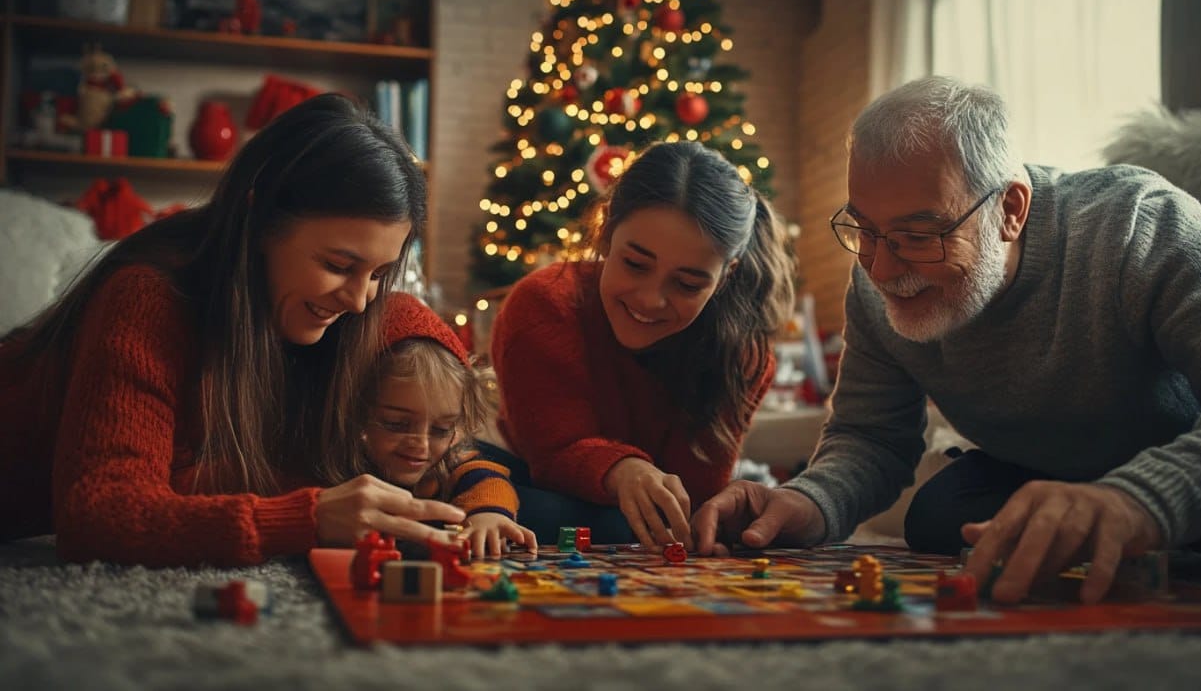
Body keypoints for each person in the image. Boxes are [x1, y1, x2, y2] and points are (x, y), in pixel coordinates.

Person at [692, 76, 1201, 604]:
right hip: (1040, 476)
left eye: (918, 235)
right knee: (941, 514)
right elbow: (870, 435)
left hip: (1193, 461)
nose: (881, 267)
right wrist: (810, 500)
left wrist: (1139, 502)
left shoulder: (1136, 224)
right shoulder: (876, 274)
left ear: (1011, 210)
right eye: (863, 230)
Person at [0, 93, 466, 566]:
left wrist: (486, 503)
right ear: (259, 222)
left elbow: (442, 388)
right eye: (338, 265)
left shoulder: (352, 307)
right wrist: (307, 519)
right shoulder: (147, 298)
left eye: (379, 274)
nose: (359, 299)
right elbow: (100, 517)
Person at [486, 141, 796, 547]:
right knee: (511, 505)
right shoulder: (543, 302)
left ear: (725, 276)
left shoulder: (743, 353)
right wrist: (624, 471)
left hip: (629, 520)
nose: (650, 300)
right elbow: (552, 453)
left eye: (688, 284)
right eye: (634, 264)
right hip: (536, 482)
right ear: (606, 232)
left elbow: (693, 495)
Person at [364, 293, 537, 559]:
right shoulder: (337, 463)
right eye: (396, 424)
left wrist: (487, 514)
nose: (420, 445)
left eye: (441, 429)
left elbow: (487, 479)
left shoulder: (449, 460)